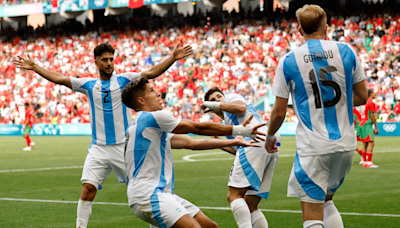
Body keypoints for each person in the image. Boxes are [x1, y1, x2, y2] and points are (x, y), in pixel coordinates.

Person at [13, 42, 193, 228]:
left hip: (123, 149)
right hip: (98, 148)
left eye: (111, 59)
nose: (109, 63)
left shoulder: (125, 80)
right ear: (96, 62)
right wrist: (35, 67)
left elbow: (150, 73)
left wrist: (173, 58)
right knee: (88, 189)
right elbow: (60, 78)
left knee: (146, 191)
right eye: (104, 60)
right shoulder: (89, 85)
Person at [264, 5, 368, 228]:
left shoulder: (289, 61)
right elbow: (362, 96)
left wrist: (270, 135)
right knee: (327, 200)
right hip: (346, 145)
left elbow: (279, 111)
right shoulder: (347, 51)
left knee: (312, 212)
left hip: (314, 147)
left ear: (299, 29)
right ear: (326, 27)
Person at [121, 77, 266, 228]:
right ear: (141, 101)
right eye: (152, 91)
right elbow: (198, 128)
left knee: (210, 226)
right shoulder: (152, 117)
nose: (159, 94)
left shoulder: (142, 125)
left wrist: (234, 141)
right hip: (148, 194)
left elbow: (192, 143)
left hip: (159, 194)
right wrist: (239, 130)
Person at [202, 87, 278, 228]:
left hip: (256, 143)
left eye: (219, 96)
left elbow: (241, 107)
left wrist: (216, 104)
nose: (218, 100)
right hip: (266, 145)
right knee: (250, 204)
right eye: (213, 100)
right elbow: (238, 151)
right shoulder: (229, 124)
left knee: (234, 195)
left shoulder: (231, 97)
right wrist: (220, 143)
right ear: (211, 110)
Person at [358, 89, 380, 168]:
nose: (375, 94)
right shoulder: (371, 103)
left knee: (365, 144)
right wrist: (376, 127)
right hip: (367, 124)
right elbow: (372, 116)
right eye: (374, 93)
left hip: (362, 124)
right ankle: (369, 162)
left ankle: (364, 162)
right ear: (370, 94)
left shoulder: (363, 103)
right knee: (371, 143)